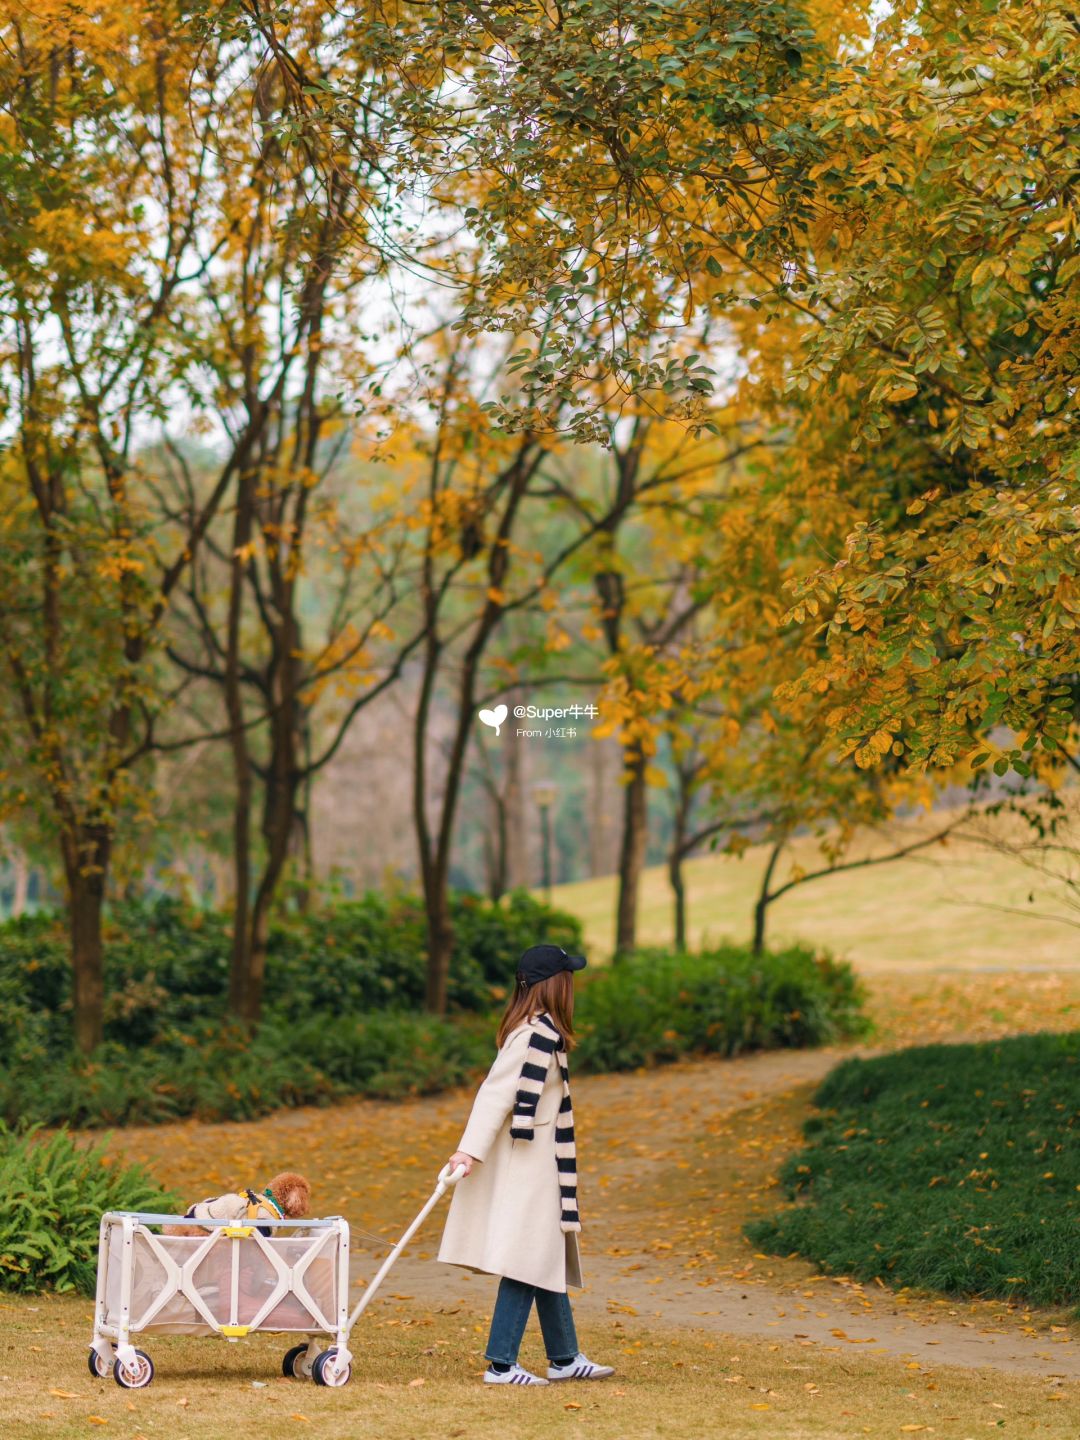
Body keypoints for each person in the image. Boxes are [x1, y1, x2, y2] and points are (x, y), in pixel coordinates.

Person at [438, 942, 615, 1386]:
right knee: (525, 1260)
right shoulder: (535, 1034)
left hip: (543, 1168)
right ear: (554, 985)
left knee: (544, 1257)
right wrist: (469, 1150)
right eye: (568, 977)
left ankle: (564, 1357)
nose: (572, 984)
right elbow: (495, 1093)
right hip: (528, 1171)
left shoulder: (544, 1031)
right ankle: (501, 1363)